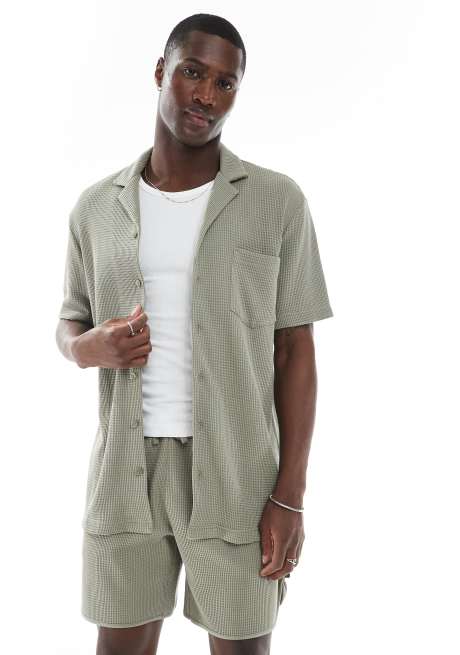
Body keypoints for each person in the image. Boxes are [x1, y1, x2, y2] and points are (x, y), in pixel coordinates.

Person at [56, 12, 334, 655]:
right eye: (192, 72)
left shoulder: (276, 202)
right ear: (161, 72)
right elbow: (71, 318)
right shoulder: (96, 207)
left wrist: (290, 495)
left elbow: (295, 350)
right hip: (125, 473)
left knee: (242, 646)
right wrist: (85, 348)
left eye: (225, 83)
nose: (206, 94)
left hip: (238, 473)